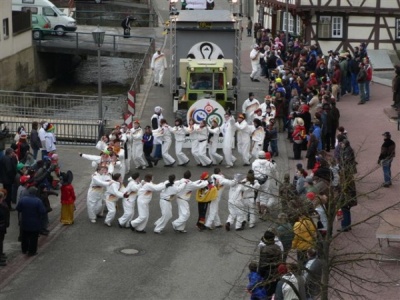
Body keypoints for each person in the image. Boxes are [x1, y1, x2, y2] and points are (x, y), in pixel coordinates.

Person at [16, 187, 46, 256]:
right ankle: (32, 251)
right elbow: (43, 211)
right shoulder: (38, 201)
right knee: (33, 238)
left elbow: (18, 208)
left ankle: (24, 249)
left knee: (24, 237)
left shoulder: (23, 199)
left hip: (25, 222)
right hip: (35, 223)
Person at [258, 230, 282, 296]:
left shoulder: (265, 250)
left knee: (268, 292)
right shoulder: (277, 247)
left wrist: (260, 274)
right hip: (277, 272)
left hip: (268, 274)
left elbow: (263, 265)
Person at [0, 189, 10, 266]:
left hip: (2, 227)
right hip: (1, 227)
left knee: (1, 241)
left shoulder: (3, 206)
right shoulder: (3, 206)